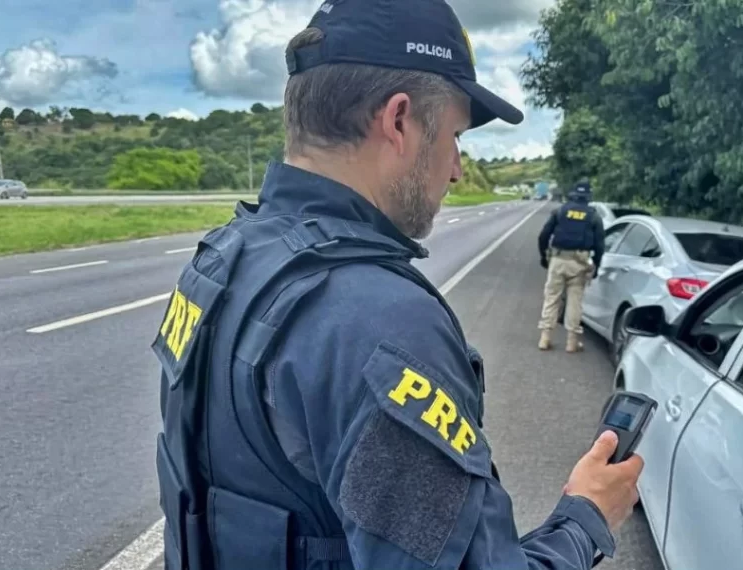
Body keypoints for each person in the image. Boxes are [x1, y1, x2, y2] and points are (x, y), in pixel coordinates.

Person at [150, 1, 643, 569]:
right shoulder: (382, 323)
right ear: (399, 120)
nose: (457, 167)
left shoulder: (219, 261)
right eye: (455, 135)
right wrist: (584, 520)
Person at [537, 180, 605, 352]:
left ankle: (545, 338)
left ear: (573, 194)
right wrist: (597, 264)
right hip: (580, 263)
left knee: (552, 297)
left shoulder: (560, 211)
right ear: (589, 196)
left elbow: (543, 235)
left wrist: (544, 256)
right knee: (575, 302)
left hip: (558, 260)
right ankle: (571, 342)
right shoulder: (593, 216)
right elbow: (600, 245)